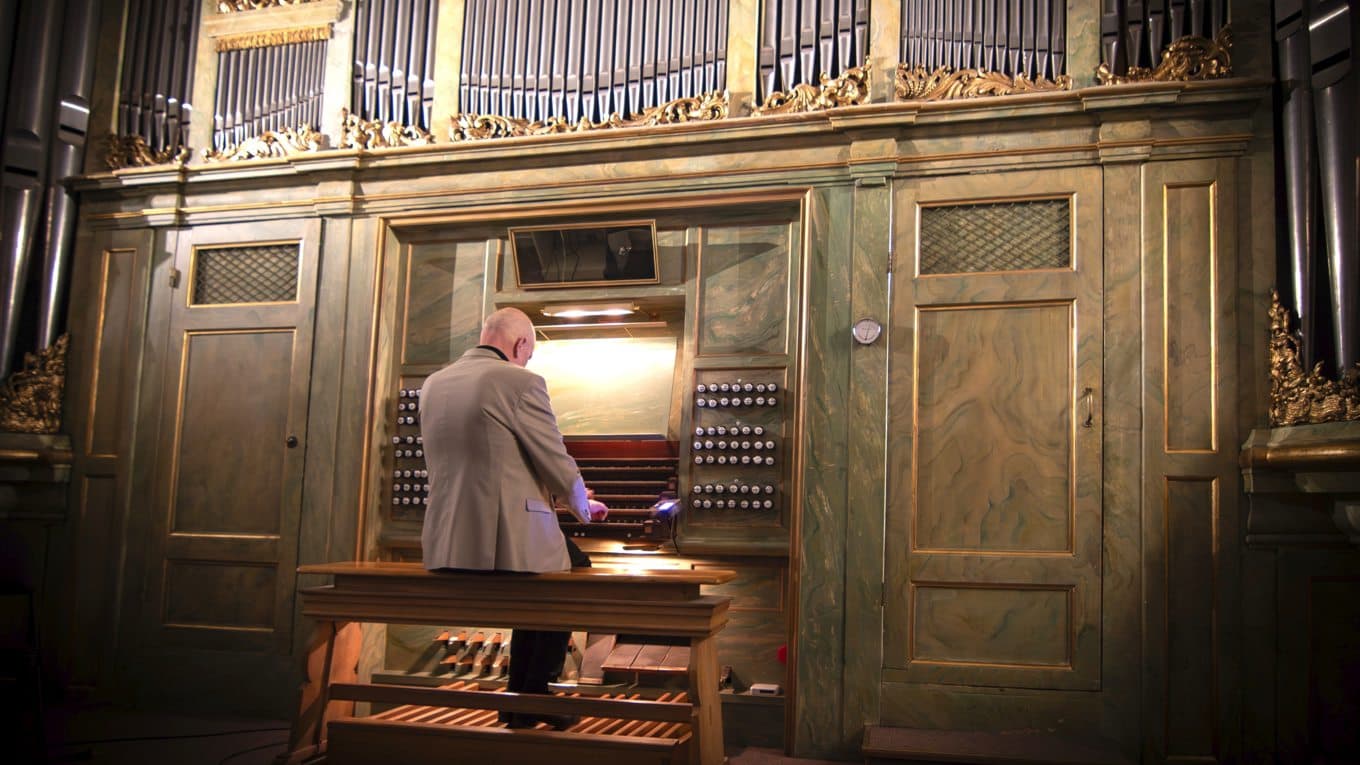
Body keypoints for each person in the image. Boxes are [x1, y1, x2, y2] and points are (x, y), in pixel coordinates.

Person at [419, 307, 605, 729]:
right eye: (529, 353)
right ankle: (536, 695)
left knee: (539, 584)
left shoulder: (435, 382)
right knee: (572, 572)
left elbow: (491, 461)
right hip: (499, 542)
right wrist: (581, 505)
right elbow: (553, 458)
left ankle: (519, 698)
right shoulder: (519, 381)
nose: (527, 361)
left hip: (446, 539)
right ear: (521, 344)